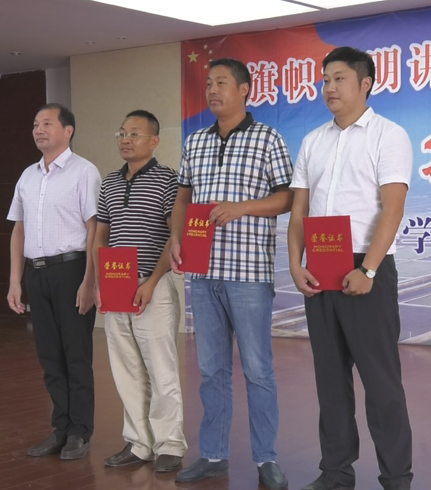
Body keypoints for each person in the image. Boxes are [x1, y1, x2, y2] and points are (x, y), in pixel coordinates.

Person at [288, 46, 414, 490]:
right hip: (320, 265)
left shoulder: (388, 135)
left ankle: (396, 478)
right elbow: (299, 210)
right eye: (325, 80)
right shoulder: (313, 141)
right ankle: (336, 473)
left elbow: (392, 209)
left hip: (366, 265)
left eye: (339, 79)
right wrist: (295, 264)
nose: (329, 88)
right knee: (330, 379)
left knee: (381, 381)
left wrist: (370, 271)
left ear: (365, 83)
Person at [169, 58, 293, 490]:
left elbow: (287, 198)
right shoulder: (196, 141)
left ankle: (266, 459)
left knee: (258, 370)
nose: (212, 90)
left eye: (221, 82)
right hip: (202, 272)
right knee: (211, 370)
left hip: (248, 273)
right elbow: (182, 198)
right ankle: (213, 455)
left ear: (244, 90)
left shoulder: (268, 138)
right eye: (208, 83)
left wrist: (242, 208)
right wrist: (176, 239)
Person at [93, 110, 186, 473]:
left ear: (154, 141)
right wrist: (100, 283)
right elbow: (102, 235)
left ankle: (170, 444)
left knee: (161, 368)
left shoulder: (168, 180)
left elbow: (174, 237)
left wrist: (152, 282)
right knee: (126, 369)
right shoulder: (109, 183)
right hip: (116, 284)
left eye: (134, 133)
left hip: (153, 285)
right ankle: (139, 443)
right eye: (121, 133)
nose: (125, 139)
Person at [7, 103, 101, 460]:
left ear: (68, 130)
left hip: (72, 270)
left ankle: (80, 432)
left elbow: (94, 229)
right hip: (37, 272)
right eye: (35, 124)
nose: (39, 130)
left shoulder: (84, 172)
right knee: (49, 357)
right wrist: (15, 281)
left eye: (47, 123)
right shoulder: (28, 176)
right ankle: (60, 428)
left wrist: (90, 281)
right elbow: (19, 229)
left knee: (76, 356)